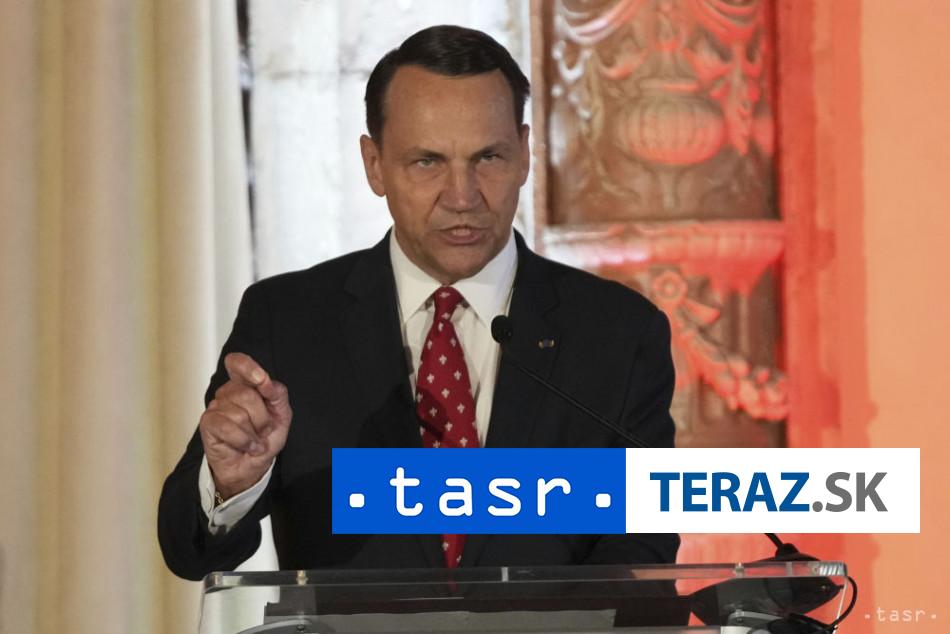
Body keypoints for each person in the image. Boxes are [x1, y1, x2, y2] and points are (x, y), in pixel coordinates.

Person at [158, 25, 678, 582]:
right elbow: (190, 551)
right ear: (374, 164)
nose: (463, 197)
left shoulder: (618, 333)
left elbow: (642, 545)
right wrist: (231, 483)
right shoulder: (288, 320)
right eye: (428, 162)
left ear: (525, 154)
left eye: (489, 157)